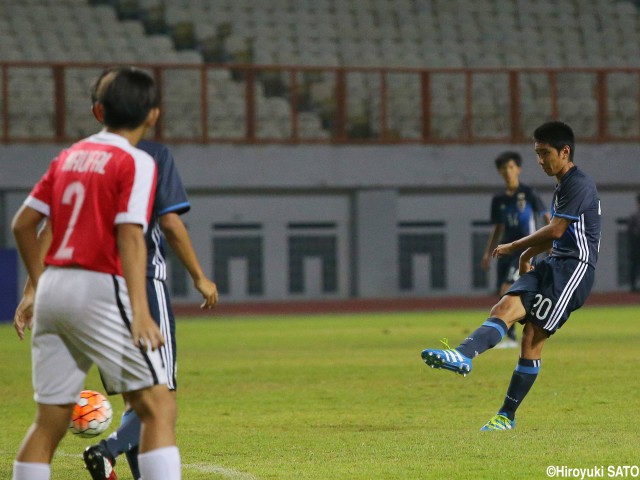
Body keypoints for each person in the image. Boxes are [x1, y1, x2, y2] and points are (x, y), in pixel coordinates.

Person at [13, 67, 219, 480]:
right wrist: (141, 312)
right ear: (153, 115)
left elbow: (25, 225)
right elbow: (130, 236)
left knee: (48, 419)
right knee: (159, 407)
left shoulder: (69, 157)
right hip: (103, 288)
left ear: (98, 110)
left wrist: (36, 285)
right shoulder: (137, 160)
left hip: (55, 289)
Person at [421, 121, 601, 431]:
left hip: (573, 271)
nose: (540, 160)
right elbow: (558, 235)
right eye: (537, 154)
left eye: (545, 153)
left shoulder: (578, 184)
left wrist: (516, 246)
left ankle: (506, 416)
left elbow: (556, 229)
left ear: (565, 151)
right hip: (553, 263)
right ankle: (462, 355)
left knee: (531, 339)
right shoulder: (563, 184)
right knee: (502, 308)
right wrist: (527, 255)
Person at [481, 151, 550, 349]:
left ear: (518, 169)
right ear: (499, 172)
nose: (508, 172)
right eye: (503, 168)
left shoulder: (528, 193)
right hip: (505, 250)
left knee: (507, 288)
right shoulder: (498, 200)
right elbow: (498, 228)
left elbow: (546, 217)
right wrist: (488, 253)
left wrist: (552, 242)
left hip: (524, 250)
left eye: (511, 167)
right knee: (503, 291)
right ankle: (516, 329)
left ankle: (510, 337)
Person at [627, 193, 640, 292]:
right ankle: (633, 286)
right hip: (636, 246)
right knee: (634, 265)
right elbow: (630, 232)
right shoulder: (634, 217)